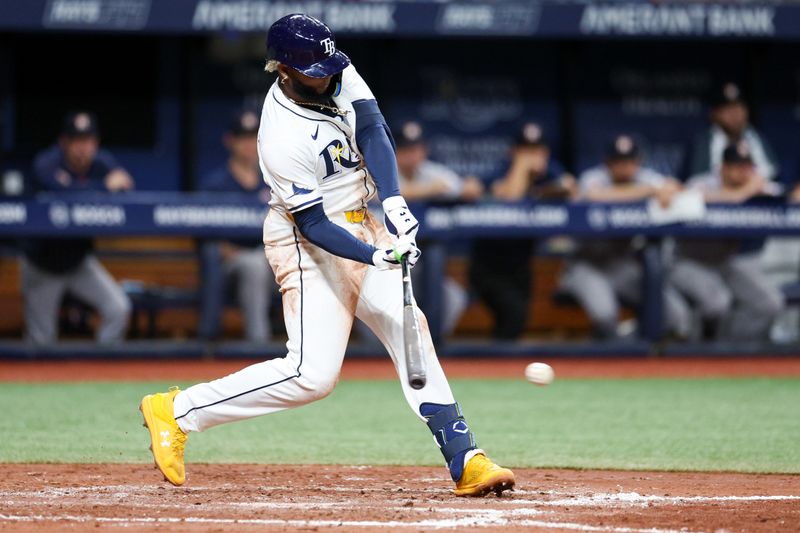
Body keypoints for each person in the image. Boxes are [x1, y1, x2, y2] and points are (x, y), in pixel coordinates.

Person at [140, 14, 514, 497]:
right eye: (314, 68)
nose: (327, 73)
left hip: (362, 217)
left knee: (410, 330)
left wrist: (395, 202)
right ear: (283, 70)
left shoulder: (333, 70)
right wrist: (373, 257)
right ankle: (179, 411)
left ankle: (466, 460)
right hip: (306, 242)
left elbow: (374, 128)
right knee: (311, 377)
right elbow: (314, 225)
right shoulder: (280, 139)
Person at [558, 134, 690, 340]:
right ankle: (606, 363)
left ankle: (642, 355)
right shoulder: (593, 178)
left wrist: (667, 188)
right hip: (587, 264)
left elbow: (676, 188)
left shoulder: (646, 178)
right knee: (605, 315)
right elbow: (595, 195)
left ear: (638, 162)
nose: (624, 168)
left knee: (676, 315)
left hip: (623, 264)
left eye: (630, 162)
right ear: (607, 163)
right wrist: (649, 191)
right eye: (618, 162)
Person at [20, 111, 132, 344]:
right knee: (41, 341)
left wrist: (112, 186)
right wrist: (103, 186)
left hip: (79, 262)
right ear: (64, 142)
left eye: (88, 140)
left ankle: (103, 369)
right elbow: (60, 192)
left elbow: (125, 185)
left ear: (96, 142)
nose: (83, 147)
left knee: (118, 308)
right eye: (76, 140)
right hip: (43, 264)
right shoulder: (47, 162)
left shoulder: (101, 162)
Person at [469, 122, 574, 340]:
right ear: (513, 152)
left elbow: (572, 188)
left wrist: (542, 189)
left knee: (515, 322)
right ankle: (490, 366)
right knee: (513, 316)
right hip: (488, 265)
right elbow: (510, 197)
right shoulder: (502, 170)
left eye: (537, 150)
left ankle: (497, 370)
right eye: (525, 150)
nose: (532, 156)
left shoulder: (550, 171)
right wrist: (522, 167)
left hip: (521, 265)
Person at [670, 142, 784, 341]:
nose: (743, 172)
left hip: (726, 262)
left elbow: (788, 196)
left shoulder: (755, 185)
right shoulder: (703, 182)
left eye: (747, 167)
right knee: (717, 303)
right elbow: (687, 198)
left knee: (770, 303)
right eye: (736, 167)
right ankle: (699, 353)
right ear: (723, 168)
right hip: (688, 261)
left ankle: (734, 351)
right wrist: (745, 191)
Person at [394, 119, 482, 335]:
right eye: (406, 149)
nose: (413, 155)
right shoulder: (383, 169)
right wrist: (429, 190)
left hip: (421, 254)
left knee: (454, 297)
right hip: (389, 263)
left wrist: (463, 186)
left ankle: (432, 346)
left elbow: (472, 189)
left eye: (417, 148)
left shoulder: (431, 172)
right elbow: (378, 194)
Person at [198, 109, 276, 342]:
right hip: (231, 267)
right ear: (230, 141)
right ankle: (259, 346)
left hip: (273, 261)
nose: (250, 145)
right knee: (254, 264)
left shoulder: (272, 180)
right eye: (243, 138)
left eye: (254, 138)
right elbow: (203, 237)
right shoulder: (216, 184)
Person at [690, 82, 779, 183]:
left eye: (739, 107)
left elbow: (772, 173)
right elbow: (697, 181)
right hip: (717, 195)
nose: (735, 114)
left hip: (756, 193)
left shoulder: (755, 136)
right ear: (714, 114)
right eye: (728, 109)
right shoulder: (704, 141)